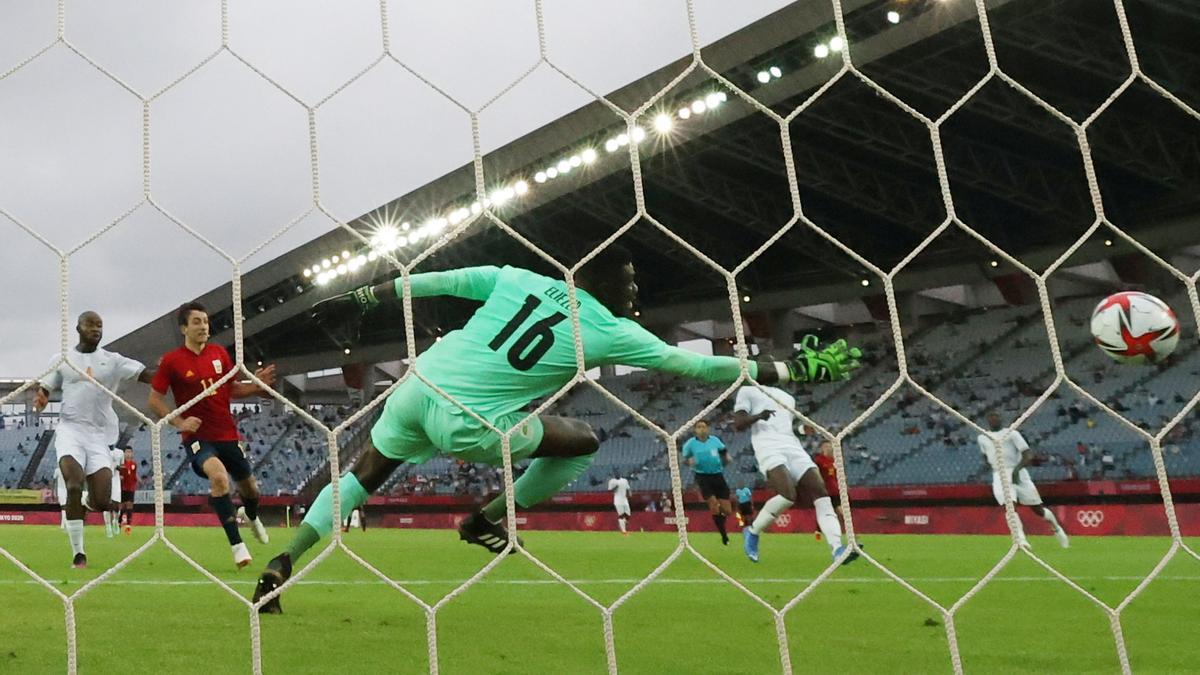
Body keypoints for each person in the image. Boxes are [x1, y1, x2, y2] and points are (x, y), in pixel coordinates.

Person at [252, 248, 861, 613]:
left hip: (417, 386)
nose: (633, 290)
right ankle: (486, 516)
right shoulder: (609, 328)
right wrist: (786, 367)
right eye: (626, 281)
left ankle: (284, 560)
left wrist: (371, 294)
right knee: (581, 441)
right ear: (602, 284)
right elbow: (697, 366)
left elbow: (446, 281)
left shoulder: (521, 277)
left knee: (361, 478)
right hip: (472, 419)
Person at [148, 302, 276, 568]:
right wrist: (179, 423)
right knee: (219, 478)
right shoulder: (172, 361)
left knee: (251, 489)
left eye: (205, 321)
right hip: (198, 438)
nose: (203, 326)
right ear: (184, 328)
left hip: (227, 434)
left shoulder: (219, 354)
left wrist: (256, 386)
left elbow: (230, 389)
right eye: (196, 322)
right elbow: (154, 400)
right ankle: (237, 546)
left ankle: (251, 515)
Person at [35, 311, 154, 568]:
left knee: (101, 502)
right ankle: (79, 553)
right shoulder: (63, 359)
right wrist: (42, 397)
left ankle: (86, 505)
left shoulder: (112, 361)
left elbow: (147, 375)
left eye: (100, 325)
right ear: (78, 328)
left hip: (99, 435)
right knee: (74, 484)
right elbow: (45, 386)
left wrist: (172, 376)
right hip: (70, 431)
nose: (96, 329)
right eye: (91, 325)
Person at [733, 382, 855, 565]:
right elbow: (738, 424)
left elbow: (786, 426)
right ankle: (752, 532)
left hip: (792, 446)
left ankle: (837, 549)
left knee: (821, 493)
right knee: (788, 495)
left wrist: (802, 429)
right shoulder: (748, 390)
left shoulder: (787, 397)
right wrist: (758, 416)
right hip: (768, 447)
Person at [977, 410, 1069, 548]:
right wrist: (992, 466)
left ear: (1001, 419)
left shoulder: (1012, 434)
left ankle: (1056, 528)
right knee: (1009, 507)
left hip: (1018, 472)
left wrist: (1017, 470)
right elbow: (985, 455)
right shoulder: (983, 438)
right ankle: (1020, 539)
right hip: (999, 474)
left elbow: (1027, 454)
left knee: (1038, 509)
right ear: (987, 420)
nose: (994, 419)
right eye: (991, 417)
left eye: (996, 416)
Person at [681, 420, 733, 544]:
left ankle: (721, 524)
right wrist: (689, 462)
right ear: (695, 430)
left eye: (704, 426)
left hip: (717, 475)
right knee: (714, 505)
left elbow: (724, 452)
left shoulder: (714, 440)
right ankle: (724, 535)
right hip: (702, 477)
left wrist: (726, 459)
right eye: (699, 427)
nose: (702, 429)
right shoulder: (690, 444)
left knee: (727, 510)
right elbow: (684, 459)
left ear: (708, 429)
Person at [118, 447, 138, 533]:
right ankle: (119, 523)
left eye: (130, 452)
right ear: (124, 454)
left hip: (131, 487)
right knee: (122, 506)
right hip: (122, 487)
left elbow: (134, 475)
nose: (128, 454)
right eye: (127, 452)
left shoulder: (134, 464)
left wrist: (137, 481)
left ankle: (128, 526)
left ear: (132, 453)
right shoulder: (122, 464)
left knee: (130, 505)